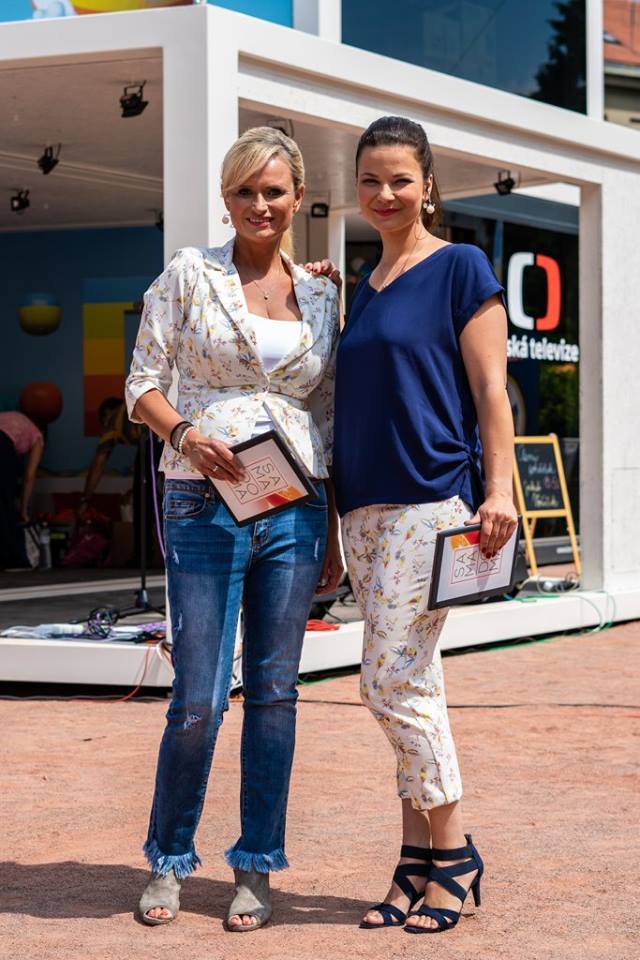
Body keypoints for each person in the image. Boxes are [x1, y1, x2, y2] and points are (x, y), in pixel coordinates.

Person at [125, 126, 343, 932]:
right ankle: (169, 856)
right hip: (202, 502)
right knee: (200, 697)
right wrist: (184, 434)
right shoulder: (189, 273)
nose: (260, 204)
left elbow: (327, 413)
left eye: (274, 190)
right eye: (245, 190)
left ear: (297, 198)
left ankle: (257, 863)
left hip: (294, 506)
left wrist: (333, 533)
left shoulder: (323, 295)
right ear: (226, 198)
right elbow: (141, 384)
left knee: (276, 695)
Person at [324, 116, 518, 933]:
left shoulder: (461, 268)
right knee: (415, 683)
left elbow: (491, 392)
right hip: (364, 511)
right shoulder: (362, 286)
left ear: (428, 184)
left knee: (387, 682)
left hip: (431, 499)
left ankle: (454, 852)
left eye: (400, 178)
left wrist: (500, 490)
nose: (385, 193)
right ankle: (416, 860)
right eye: (370, 180)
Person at [78, 397, 162, 565]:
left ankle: (143, 555)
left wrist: (85, 499)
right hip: (165, 442)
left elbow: (99, 462)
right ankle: (156, 554)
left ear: (107, 413)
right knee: (156, 497)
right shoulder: (131, 409)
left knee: (143, 501)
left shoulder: (114, 417)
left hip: (154, 442)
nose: (105, 426)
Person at [0, 411, 44, 569]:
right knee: (5, 506)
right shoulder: (37, 436)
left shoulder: (13, 417)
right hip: (2, 445)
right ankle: (12, 558)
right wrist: (23, 510)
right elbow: (29, 475)